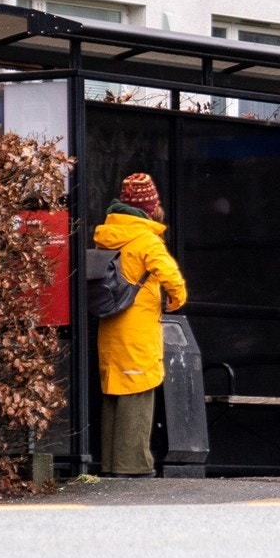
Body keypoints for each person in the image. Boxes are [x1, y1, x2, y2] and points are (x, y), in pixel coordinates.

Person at [93, 172, 188, 477]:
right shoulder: (146, 239)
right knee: (139, 392)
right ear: (148, 207)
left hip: (109, 325)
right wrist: (177, 298)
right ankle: (134, 465)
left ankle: (110, 463)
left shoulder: (107, 234)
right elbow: (170, 275)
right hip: (137, 328)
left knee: (114, 396)